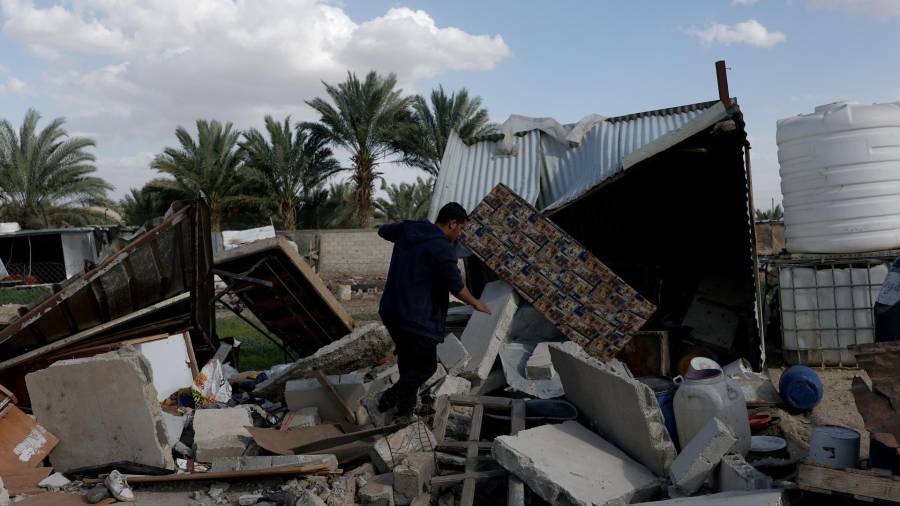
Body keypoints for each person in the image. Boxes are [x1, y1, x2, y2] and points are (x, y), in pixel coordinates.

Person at [376, 202, 491, 419]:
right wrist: (477, 303)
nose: (461, 234)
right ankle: (388, 398)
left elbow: (383, 230)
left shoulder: (409, 229)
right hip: (418, 319)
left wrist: (403, 227)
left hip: (392, 312)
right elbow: (456, 286)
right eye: (461, 228)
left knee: (409, 367)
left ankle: (404, 413)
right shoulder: (442, 249)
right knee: (426, 368)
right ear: (452, 223)